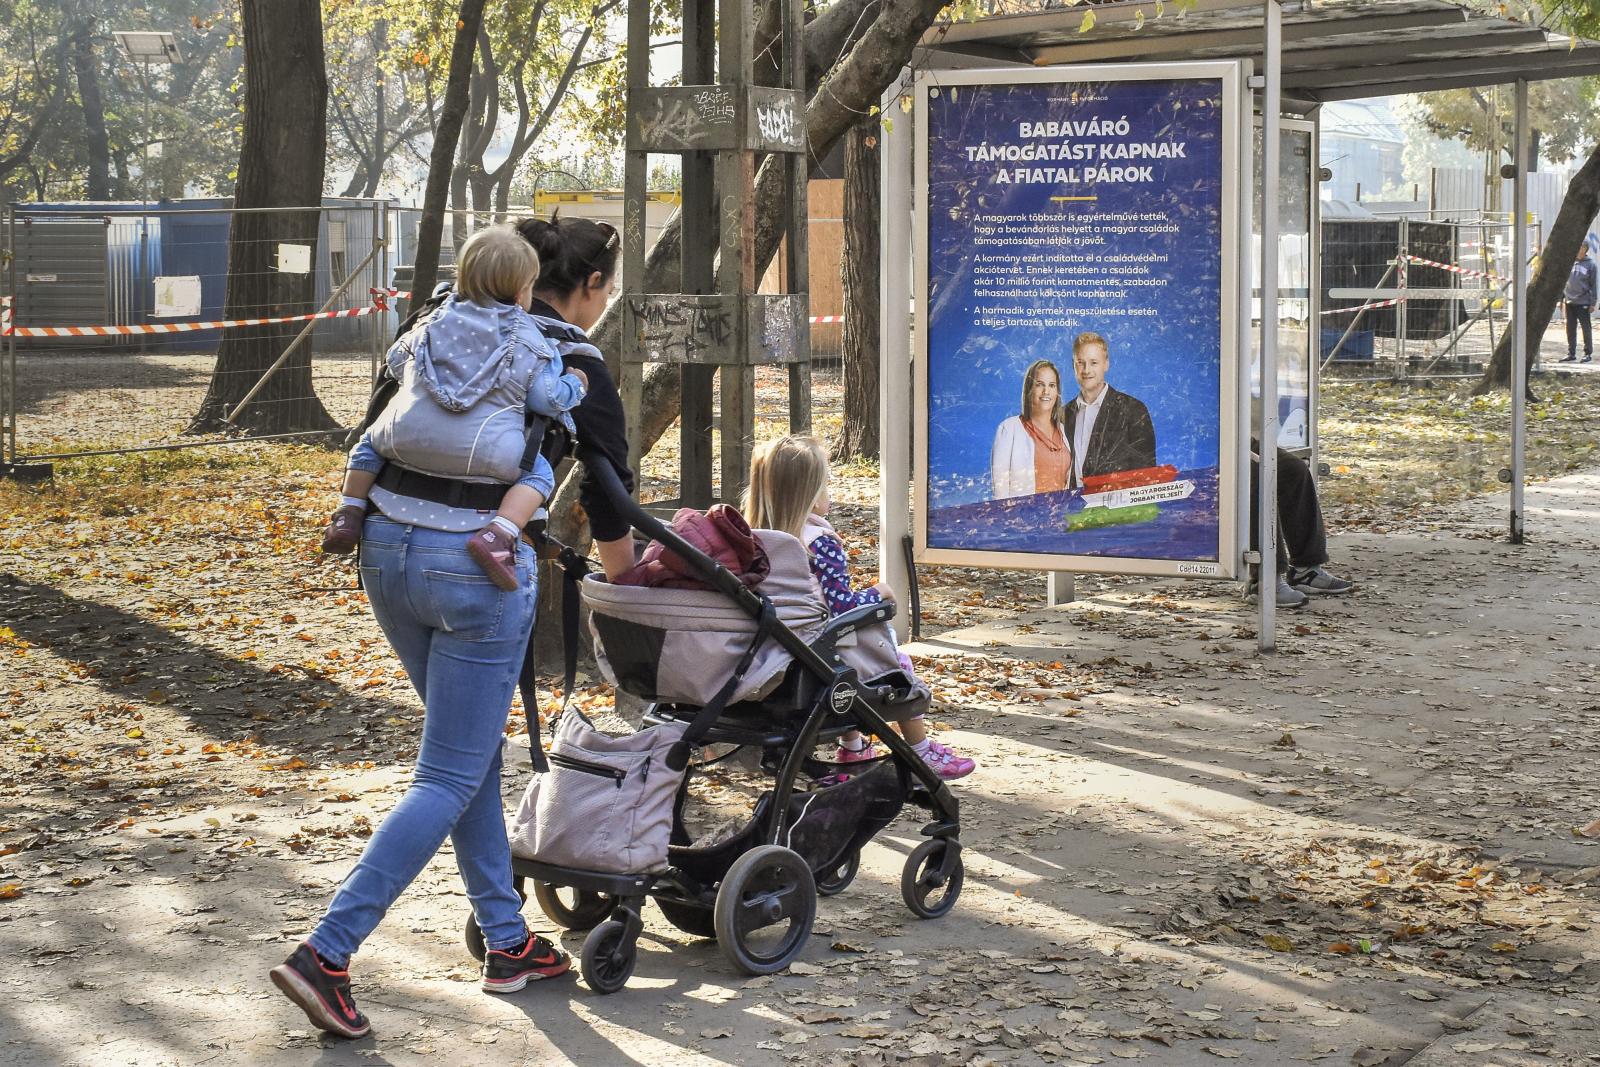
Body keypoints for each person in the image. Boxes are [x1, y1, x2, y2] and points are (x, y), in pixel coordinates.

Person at [271, 228, 592, 1042]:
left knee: (468, 751)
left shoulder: (420, 333)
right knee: (447, 772)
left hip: (387, 550)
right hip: (474, 561)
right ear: (525, 287)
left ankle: (509, 941)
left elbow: (375, 426)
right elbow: (561, 419)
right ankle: (328, 951)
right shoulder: (534, 342)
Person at [319, 225, 588, 592]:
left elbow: (397, 362)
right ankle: (499, 535)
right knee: (537, 473)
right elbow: (546, 398)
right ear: (522, 290)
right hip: (488, 453)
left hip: (403, 438)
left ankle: (349, 512)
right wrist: (575, 384)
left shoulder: (431, 323)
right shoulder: (527, 339)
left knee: (368, 443)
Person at [744, 435, 976, 780]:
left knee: (841, 666)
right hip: (818, 659)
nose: (829, 495)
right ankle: (921, 751)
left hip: (772, 658)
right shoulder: (818, 543)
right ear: (808, 495)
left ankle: (854, 748)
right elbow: (842, 608)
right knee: (897, 664)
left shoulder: (752, 538)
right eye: (825, 486)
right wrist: (878, 594)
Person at [514, 216, 637, 581]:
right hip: (483, 550)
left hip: (385, 535)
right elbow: (608, 487)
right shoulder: (569, 356)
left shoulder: (454, 323)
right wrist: (625, 585)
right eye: (609, 291)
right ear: (593, 281)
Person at [1246, 444, 1354, 609]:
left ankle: (1306, 569)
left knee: (1293, 469)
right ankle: (1263, 580)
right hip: (1206, 439)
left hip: (1234, 432)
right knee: (1256, 475)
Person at [1063, 331, 1157, 481]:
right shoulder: (1064, 414)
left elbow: (1145, 475)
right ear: (1073, 365)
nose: (1086, 370)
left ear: (1106, 364)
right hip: (1073, 503)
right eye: (1080, 362)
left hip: (1117, 503)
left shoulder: (1133, 410)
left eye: (1094, 362)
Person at [990, 359, 1072, 499]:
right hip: (1026, 517)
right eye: (1039, 385)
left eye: (1052, 385)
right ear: (1029, 389)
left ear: (1057, 392)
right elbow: (1000, 491)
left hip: (1060, 517)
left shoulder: (1063, 432)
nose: (1046, 391)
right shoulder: (1009, 430)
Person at [1561, 242, 1597, 364]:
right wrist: (1561, 298)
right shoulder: (1569, 262)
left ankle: (1588, 353)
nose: (1579, 250)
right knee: (1570, 328)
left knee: (1585, 328)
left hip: (1583, 301)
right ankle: (1571, 353)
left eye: (1582, 247)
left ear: (1586, 249)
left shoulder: (1591, 265)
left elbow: (1593, 285)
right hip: (1569, 300)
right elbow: (1563, 281)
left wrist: (1593, 302)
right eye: (1578, 247)